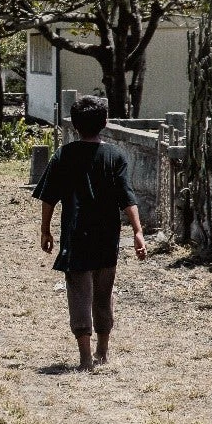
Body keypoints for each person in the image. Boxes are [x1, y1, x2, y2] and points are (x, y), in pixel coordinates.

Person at [32, 95, 147, 372]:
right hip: (107, 237)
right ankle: (103, 351)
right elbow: (127, 197)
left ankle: (85, 358)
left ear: (75, 124)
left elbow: (50, 197)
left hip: (75, 236)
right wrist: (138, 232)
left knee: (79, 293)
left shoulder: (65, 154)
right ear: (105, 122)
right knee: (103, 293)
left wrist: (45, 229)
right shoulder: (116, 156)